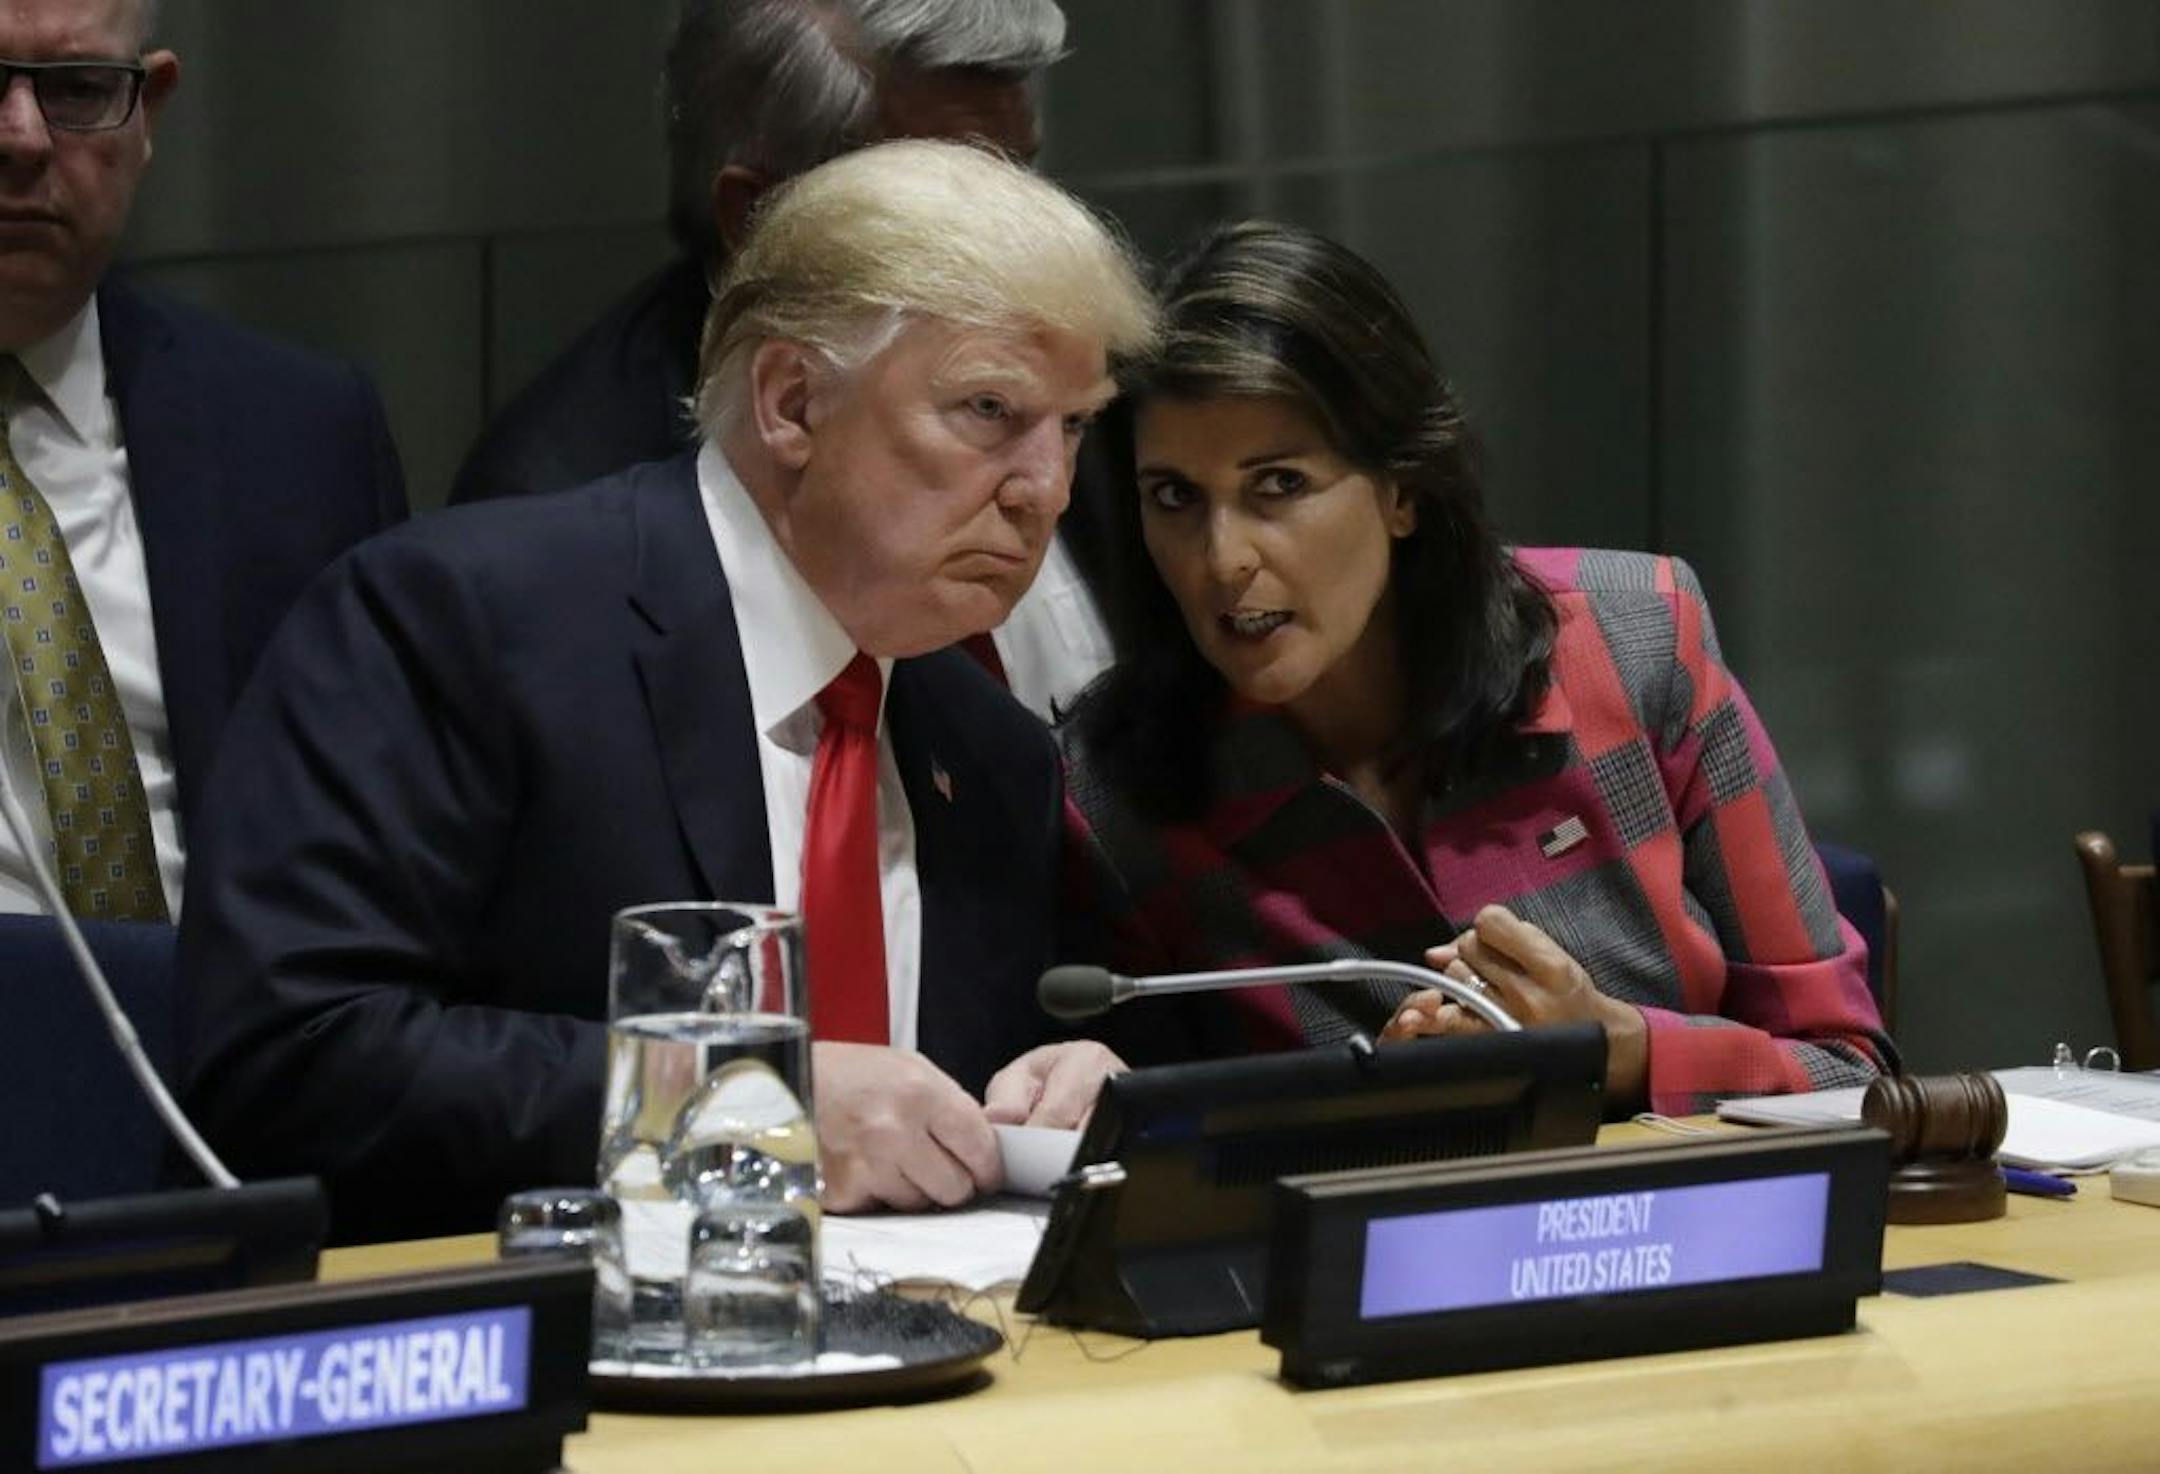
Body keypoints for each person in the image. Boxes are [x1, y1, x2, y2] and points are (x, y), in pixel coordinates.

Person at [181, 140, 1157, 1242]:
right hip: (542, 1362)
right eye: (989, 410)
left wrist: (1055, 1085)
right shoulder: (462, 621)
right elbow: (289, 1058)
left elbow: (916, 1117)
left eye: (1073, 427)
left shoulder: (988, 747)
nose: (1047, 489)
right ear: (791, 401)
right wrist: (740, 1105)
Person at [1060, 221, 1896, 1116]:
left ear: (1403, 491)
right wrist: (1375, 1111)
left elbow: (1850, 1074)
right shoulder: (1113, 790)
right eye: (1175, 497)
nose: (1221, 559)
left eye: (1279, 486)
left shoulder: (1633, 638)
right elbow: (1159, 1150)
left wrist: (1614, 1049)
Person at [451, 0, 1114, 720]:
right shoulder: (559, 519)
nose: (1026, 247)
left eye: (1026, 180)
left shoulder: (1087, 373)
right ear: (760, 219)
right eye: (956, 206)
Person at [0, 0, 406, 922]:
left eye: (76, 89)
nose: (21, 138)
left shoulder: (302, 436)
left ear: (150, 112)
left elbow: (391, 854)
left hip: (231, 1042)